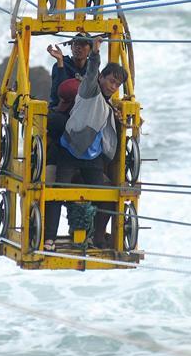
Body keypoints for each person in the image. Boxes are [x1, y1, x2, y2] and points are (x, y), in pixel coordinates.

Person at [43, 36, 128, 250]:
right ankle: (49, 238)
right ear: (101, 77)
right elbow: (91, 71)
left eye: (117, 84)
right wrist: (96, 52)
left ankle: (97, 237)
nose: (113, 86)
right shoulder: (89, 89)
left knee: (108, 195)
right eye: (111, 81)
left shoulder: (108, 104)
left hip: (92, 156)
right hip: (70, 151)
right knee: (57, 192)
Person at [47, 33, 91, 110]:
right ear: (71, 47)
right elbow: (60, 92)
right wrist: (60, 62)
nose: (78, 47)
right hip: (60, 111)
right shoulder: (60, 64)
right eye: (76, 43)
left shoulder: (91, 69)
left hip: (83, 111)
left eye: (83, 44)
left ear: (90, 50)